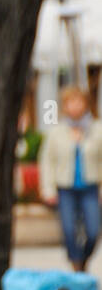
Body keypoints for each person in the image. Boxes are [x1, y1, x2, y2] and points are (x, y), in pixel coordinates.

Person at [38, 86, 102, 272]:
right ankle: (76, 266)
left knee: (92, 231)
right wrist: (47, 189)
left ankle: (83, 260)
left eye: (78, 102)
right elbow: (47, 161)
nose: (75, 107)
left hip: (90, 188)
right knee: (68, 231)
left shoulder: (97, 130)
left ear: (86, 104)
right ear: (64, 107)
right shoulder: (56, 132)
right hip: (65, 188)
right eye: (70, 103)